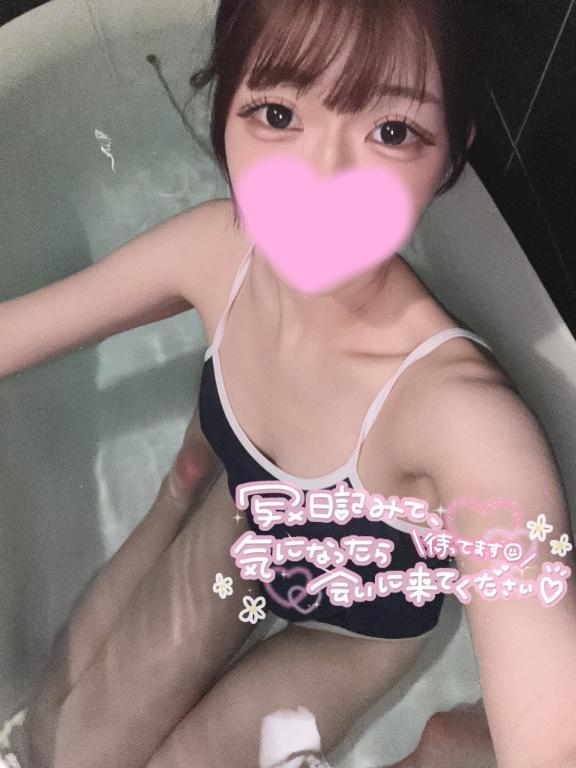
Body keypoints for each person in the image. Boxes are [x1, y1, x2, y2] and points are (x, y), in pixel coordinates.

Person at [4, 1, 576, 767]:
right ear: (224, 107)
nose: (321, 182)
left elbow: (551, 730)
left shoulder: (459, 418)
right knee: (74, 751)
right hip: (250, 524)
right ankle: (180, 494)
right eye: (278, 114)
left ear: (451, 155)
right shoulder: (214, 255)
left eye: (392, 131)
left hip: (349, 628)